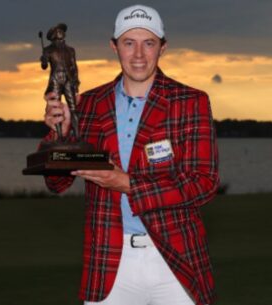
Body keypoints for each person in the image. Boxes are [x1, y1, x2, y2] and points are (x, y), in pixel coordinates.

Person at [43, 4, 219, 305]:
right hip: (110, 262)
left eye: (148, 43)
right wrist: (58, 132)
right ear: (114, 46)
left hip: (175, 259)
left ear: (163, 47)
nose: (138, 55)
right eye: (129, 43)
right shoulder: (89, 103)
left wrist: (126, 183)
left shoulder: (191, 101)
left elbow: (203, 183)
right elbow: (56, 183)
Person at [41, 23, 81, 140]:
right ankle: (59, 137)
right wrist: (43, 60)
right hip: (55, 81)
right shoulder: (48, 50)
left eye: (62, 31)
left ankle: (78, 136)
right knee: (56, 110)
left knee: (73, 109)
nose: (61, 32)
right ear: (54, 35)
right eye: (58, 30)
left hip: (69, 81)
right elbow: (44, 66)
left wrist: (76, 82)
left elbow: (74, 67)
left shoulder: (70, 50)